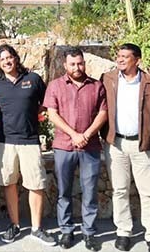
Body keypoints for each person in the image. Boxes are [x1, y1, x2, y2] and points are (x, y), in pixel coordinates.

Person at [100, 44, 150, 252]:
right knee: (119, 190)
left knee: (148, 192)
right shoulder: (108, 79)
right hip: (116, 144)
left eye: (125, 56)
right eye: (119, 56)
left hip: (142, 145)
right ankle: (123, 231)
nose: (120, 59)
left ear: (137, 60)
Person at [43, 47, 107, 251]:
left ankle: (89, 232)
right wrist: (74, 135)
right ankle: (66, 230)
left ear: (84, 63)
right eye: (72, 64)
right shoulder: (55, 86)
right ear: (65, 65)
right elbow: (52, 114)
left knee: (90, 191)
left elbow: (103, 113)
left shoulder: (97, 86)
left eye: (80, 63)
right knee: (64, 191)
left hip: (90, 146)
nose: (77, 67)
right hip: (64, 146)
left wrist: (86, 135)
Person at [0, 44, 54, 246]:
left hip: (30, 141)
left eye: (9, 57)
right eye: (2, 59)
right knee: (9, 183)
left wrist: (33, 116)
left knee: (36, 184)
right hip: (6, 141)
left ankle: (36, 228)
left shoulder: (33, 79)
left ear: (16, 58)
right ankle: (15, 225)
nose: (7, 61)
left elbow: (46, 102)